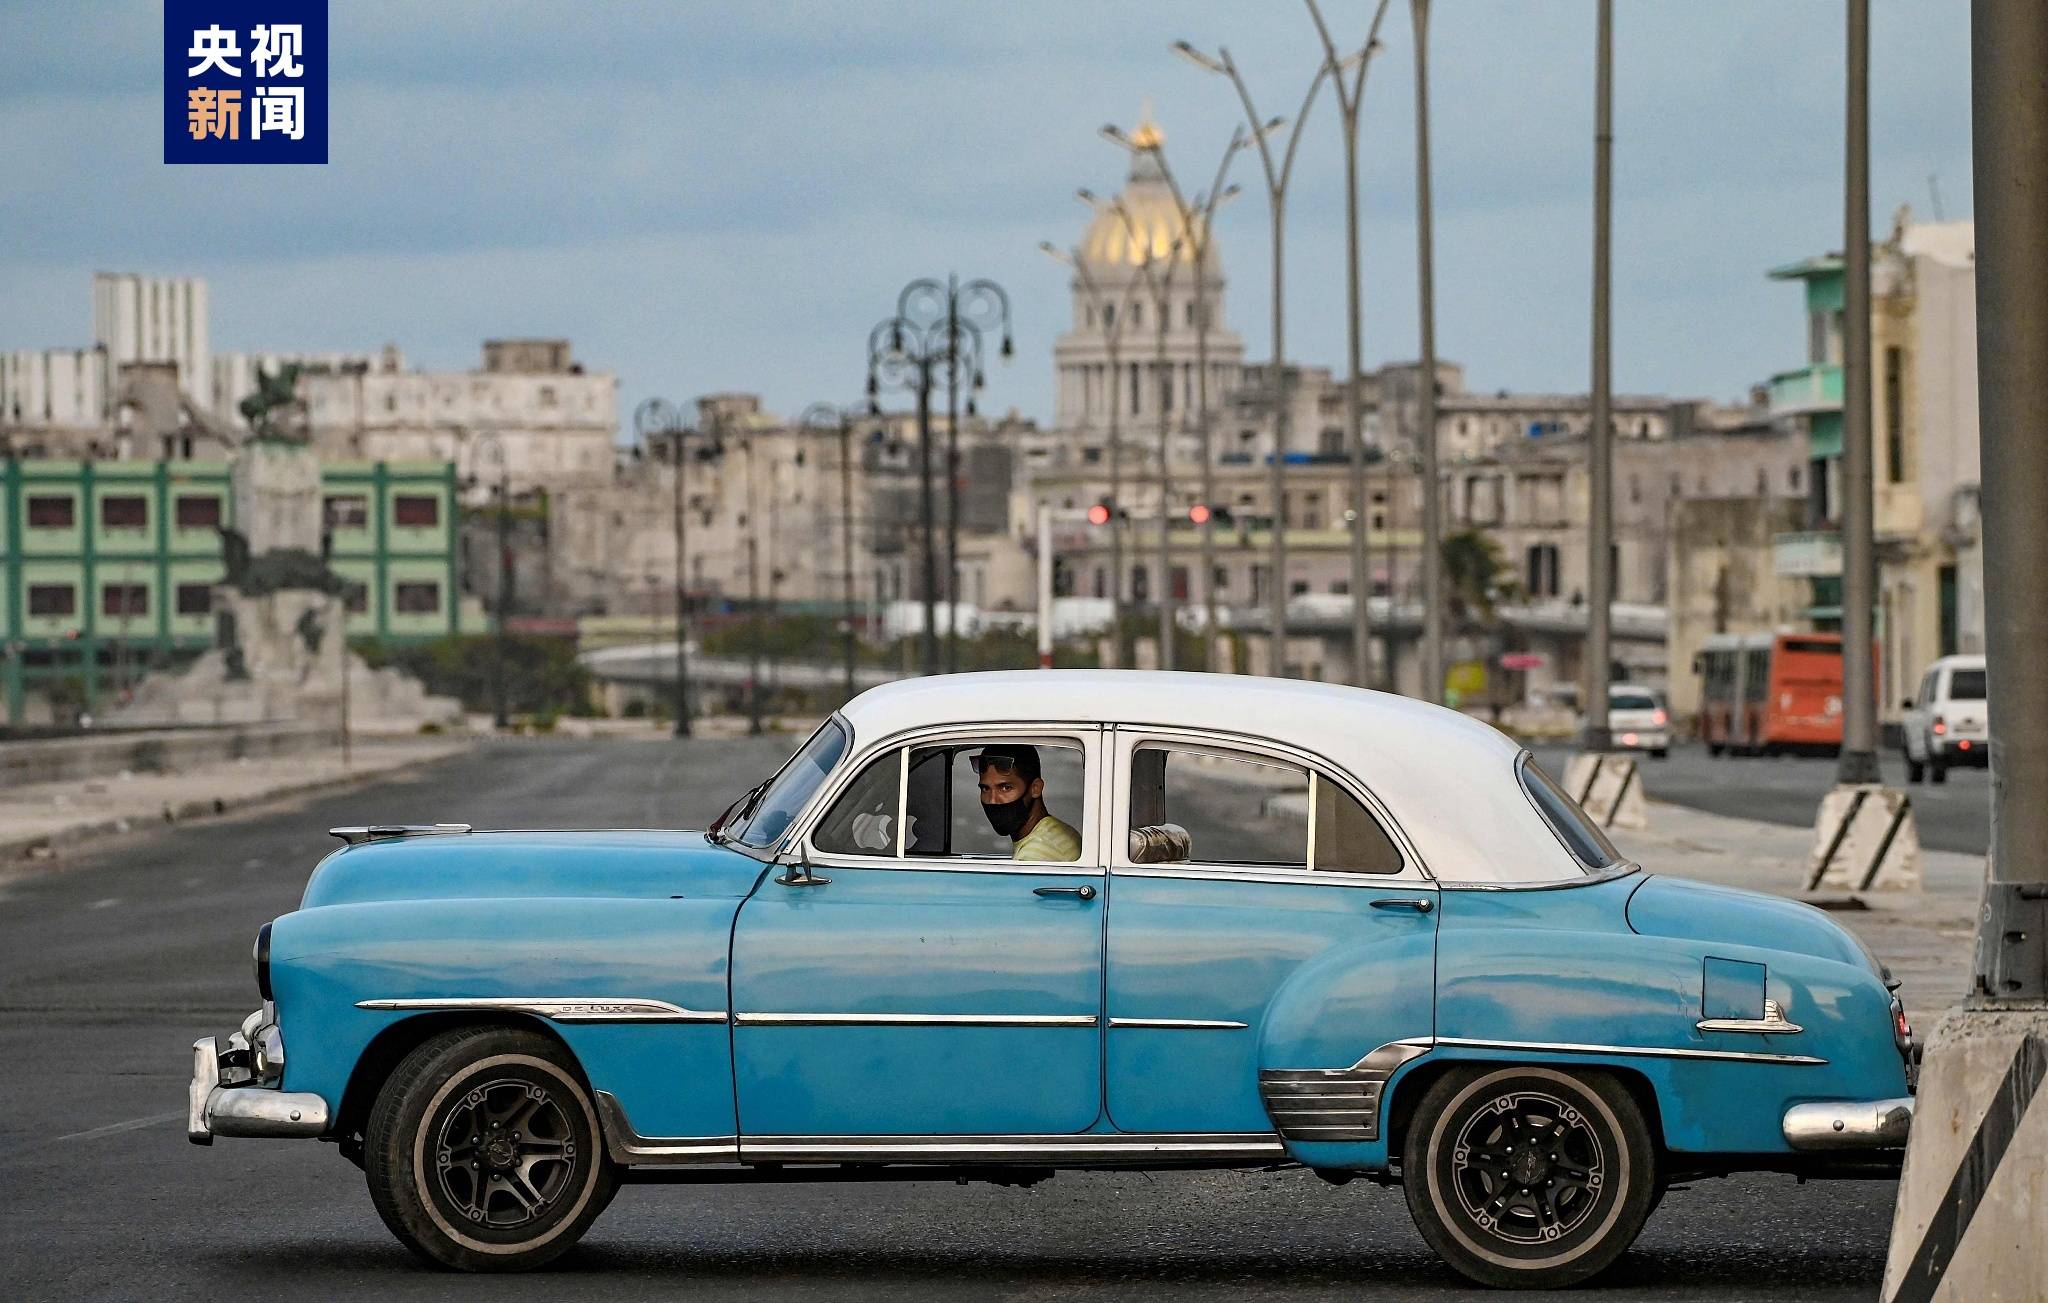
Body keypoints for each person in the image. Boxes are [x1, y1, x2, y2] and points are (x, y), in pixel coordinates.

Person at [972, 745, 1080, 862]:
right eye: (985, 789)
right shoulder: (1060, 831)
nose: (992, 800)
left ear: (1035, 788)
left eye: (1006, 788)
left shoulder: (1033, 856)